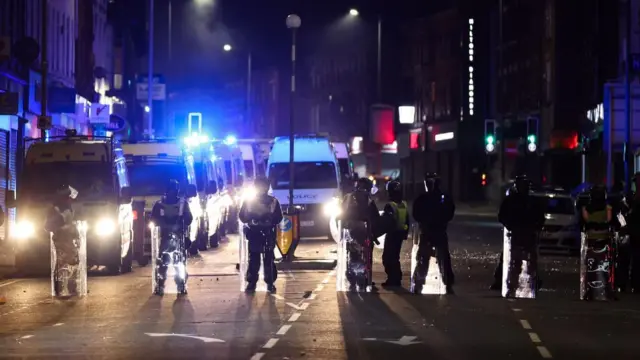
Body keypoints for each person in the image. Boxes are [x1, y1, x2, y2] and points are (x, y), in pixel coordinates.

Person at [496, 175, 544, 297]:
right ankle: (511, 286)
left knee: (530, 262)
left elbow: (540, 218)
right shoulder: (511, 200)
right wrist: (510, 226)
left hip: (527, 234)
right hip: (517, 234)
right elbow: (502, 216)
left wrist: (535, 228)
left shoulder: (532, 201)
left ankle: (531, 284)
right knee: (515, 262)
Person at [412, 172, 456, 294]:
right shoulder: (437, 197)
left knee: (428, 259)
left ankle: (420, 284)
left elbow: (416, 214)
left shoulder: (429, 198)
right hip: (434, 231)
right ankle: (421, 283)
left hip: (432, 231)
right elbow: (417, 214)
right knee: (430, 259)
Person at [239, 176, 283, 293]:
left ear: (267, 187)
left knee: (269, 259)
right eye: (259, 186)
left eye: (264, 186)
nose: (261, 188)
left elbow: (278, 217)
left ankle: (270, 282)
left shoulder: (273, 201)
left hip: (268, 232)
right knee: (254, 258)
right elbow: (242, 216)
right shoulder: (249, 201)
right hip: (254, 233)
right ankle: (251, 283)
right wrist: (252, 219)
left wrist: (269, 220)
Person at [151, 179, 193, 296]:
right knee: (162, 264)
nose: (172, 193)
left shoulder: (183, 204)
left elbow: (189, 219)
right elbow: (153, 220)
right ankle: (160, 285)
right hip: (164, 237)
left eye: (174, 190)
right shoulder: (159, 205)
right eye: (170, 190)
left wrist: (181, 222)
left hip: (179, 238)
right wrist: (163, 224)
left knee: (179, 263)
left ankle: (181, 285)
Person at [340, 177, 381, 291]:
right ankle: (366, 278)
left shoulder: (348, 197)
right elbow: (375, 217)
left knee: (352, 254)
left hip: (350, 231)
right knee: (367, 254)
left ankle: (352, 278)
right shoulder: (368, 199)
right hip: (365, 231)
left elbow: (340, 214)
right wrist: (375, 234)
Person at [45, 184, 81, 296]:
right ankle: (63, 288)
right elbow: (49, 225)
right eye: (68, 197)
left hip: (67, 239)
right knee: (64, 263)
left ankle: (69, 287)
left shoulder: (66, 207)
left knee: (69, 262)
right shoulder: (57, 209)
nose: (70, 199)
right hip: (62, 240)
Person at [581, 185, 615, 300]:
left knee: (593, 267)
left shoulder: (586, 209)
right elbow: (611, 222)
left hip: (594, 241)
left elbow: (584, 224)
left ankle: (591, 291)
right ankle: (606, 291)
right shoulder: (608, 208)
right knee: (604, 268)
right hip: (603, 241)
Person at [380, 180, 409, 287]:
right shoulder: (403, 204)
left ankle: (392, 279)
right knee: (395, 257)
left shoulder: (390, 205)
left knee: (388, 257)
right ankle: (396, 278)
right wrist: (405, 233)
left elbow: (387, 221)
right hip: (400, 234)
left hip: (392, 234)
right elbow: (407, 220)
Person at [618, 173, 640, 293]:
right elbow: (622, 214)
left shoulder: (631, 198)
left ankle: (631, 285)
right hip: (629, 233)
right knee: (626, 260)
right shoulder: (629, 198)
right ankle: (626, 284)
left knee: (632, 260)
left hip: (632, 233)